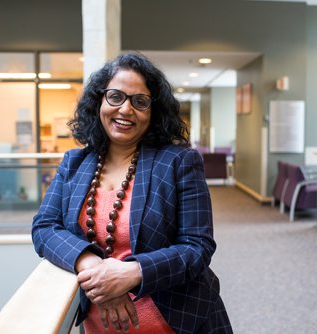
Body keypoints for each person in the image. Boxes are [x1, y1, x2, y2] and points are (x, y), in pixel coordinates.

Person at [32, 52, 232, 333]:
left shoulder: (178, 162)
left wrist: (130, 273)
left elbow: (197, 247)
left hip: (176, 320)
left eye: (140, 102)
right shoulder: (74, 163)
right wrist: (95, 267)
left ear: (154, 112)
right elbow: (44, 227)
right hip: (99, 324)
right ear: (99, 100)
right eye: (115, 96)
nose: (126, 109)